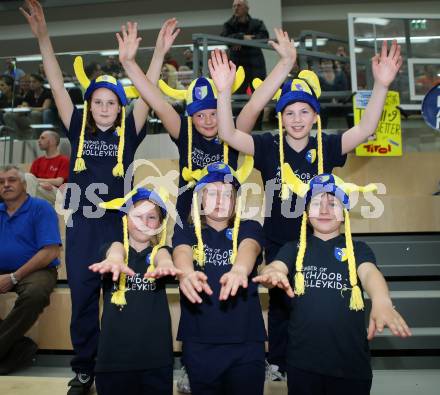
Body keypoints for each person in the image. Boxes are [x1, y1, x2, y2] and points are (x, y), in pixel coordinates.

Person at [211, 39, 403, 378]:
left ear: (315, 115)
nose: (297, 119)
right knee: (282, 303)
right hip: (279, 241)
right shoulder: (268, 145)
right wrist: (224, 92)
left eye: (304, 111)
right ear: (281, 117)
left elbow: (366, 129)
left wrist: (382, 85)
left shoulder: (328, 144)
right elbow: (227, 132)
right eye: (289, 112)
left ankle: (327, 358)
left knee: (318, 300)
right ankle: (279, 362)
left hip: (320, 240)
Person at [20, 2, 157, 393]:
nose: (103, 108)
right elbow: (58, 85)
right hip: (81, 227)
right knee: (82, 301)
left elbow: (148, 95)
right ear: (89, 105)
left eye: (110, 103)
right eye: (97, 101)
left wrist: (159, 51)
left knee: (119, 302)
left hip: (117, 226)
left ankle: (115, 366)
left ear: (120, 108)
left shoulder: (130, 130)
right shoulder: (78, 126)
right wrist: (43, 38)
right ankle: (84, 369)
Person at [118, 23, 296, 226]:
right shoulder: (183, 130)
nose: (208, 120)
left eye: (213, 113)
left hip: (225, 221)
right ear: (191, 117)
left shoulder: (233, 131)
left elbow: (255, 104)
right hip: (187, 222)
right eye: (200, 116)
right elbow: (155, 100)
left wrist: (286, 63)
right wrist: (135, 62)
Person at [253, 173, 412, 395]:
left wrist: (382, 300)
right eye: (317, 203)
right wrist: (271, 272)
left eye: (333, 203)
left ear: (344, 213)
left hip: (351, 367)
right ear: (307, 213)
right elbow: (277, 267)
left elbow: (370, 274)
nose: (325, 210)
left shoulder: (359, 249)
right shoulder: (294, 248)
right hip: (302, 366)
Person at [172, 159, 267, 395]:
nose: (218, 200)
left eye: (226, 194)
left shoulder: (249, 226)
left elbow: (250, 247)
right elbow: (181, 251)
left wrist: (239, 269)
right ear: (200, 199)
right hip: (199, 342)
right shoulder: (187, 229)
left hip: (246, 343)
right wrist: (186, 273)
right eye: (211, 193)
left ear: (236, 201)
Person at [88, 187, 181, 395]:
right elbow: (115, 250)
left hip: (156, 361)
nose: (144, 222)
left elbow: (163, 256)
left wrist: (165, 263)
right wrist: (114, 260)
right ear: (125, 219)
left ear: (159, 225)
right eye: (138, 216)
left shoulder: (161, 252)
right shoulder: (112, 248)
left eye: (151, 217)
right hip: (113, 360)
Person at [0, 165, 60, 375]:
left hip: (36, 270)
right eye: (1, 182)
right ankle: (17, 348)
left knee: (35, 293)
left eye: (12, 180)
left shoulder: (40, 208)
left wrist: (15, 277)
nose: (6, 185)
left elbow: (50, 252)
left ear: (25, 185)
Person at [220, 0, 269, 95]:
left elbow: (264, 37)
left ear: (247, 8)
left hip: (256, 66)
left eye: (239, 5)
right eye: (234, 6)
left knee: (259, 95)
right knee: (237, 99)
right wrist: (242, 37)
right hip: (237, 66)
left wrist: (237, 41)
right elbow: (224, 38)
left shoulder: (257, 23)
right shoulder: (228, 25)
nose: (236, 8)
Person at [3, 73, 54, 138]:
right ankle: (15, 138)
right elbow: (25, 105)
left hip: (40, 117)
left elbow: (45, 108)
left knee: (35, 113)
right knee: (7, 115)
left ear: (41, 83)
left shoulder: (47, 92)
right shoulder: (30, 93)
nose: (31, 84)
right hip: (29, 117)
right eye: (30, 82)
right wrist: (21, 108)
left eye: (34, 82)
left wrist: (29, 108)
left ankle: (36, 138)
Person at [25, 130, 69, 204]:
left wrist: (36, 181)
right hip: (41, 189)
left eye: (42, 138)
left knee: (28, 179)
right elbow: (29, 181)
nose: (39, 141)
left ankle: (28, 208)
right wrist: (40, 183)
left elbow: (58, 182)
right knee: (27, 178)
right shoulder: (37, 161)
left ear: (52, 141)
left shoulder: (64, 160)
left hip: (57, 192)